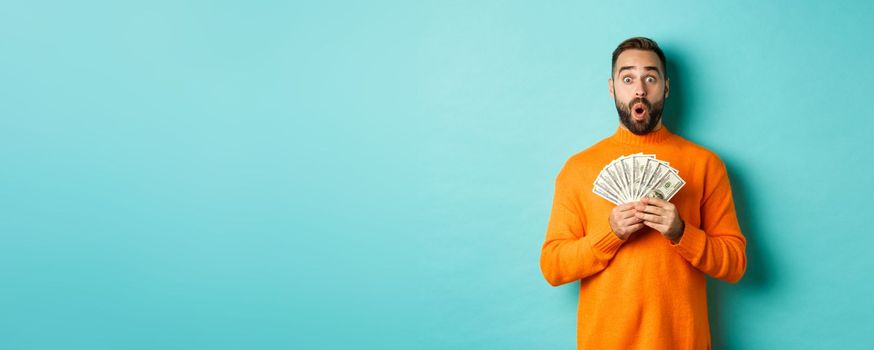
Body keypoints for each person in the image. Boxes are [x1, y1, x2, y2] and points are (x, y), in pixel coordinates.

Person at [539, 37, 747, 349]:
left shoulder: (706, 164)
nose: (639, 89)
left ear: (666, 87)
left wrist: (681, 232)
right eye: (628, 78)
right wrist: (609, 234)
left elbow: (734, 264)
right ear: (612, 88)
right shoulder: (578, 169)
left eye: (650, 78)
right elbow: (553, 267)